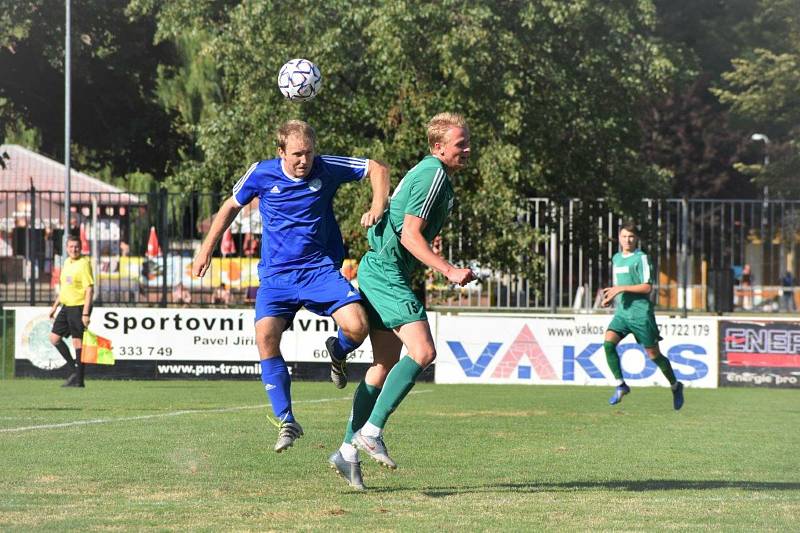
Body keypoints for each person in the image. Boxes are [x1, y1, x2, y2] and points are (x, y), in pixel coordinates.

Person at [192, 119, 390, 453]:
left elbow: (378, 168)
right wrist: (206, 248)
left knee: (357, 328)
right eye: (297, 154)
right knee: (265, 337)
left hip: (318, 271)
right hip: (277, 278)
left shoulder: (326, 168)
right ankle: (286, 420)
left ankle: (338, 352)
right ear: (280, 151)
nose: (304, 161)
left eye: (309, 154)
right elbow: (230, 206)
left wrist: (376, 205)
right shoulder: (261, 173)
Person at [328, 113, 475, 490]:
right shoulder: (434, 174)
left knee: (383, 364)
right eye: (461, 144)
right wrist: (448, 269)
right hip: (386, 272)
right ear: (439, 147)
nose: (468, 149)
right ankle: (371, 431)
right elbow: (410, 235)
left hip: (381, 268)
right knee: (423, 352)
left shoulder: (432, 173)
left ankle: (346, 451)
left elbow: (403, 225)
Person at [600, 222, 684, 410]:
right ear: (619, 238)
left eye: (631, 236)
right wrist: (611, 297)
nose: (627, 240)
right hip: (622, 313)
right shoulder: (616, 258)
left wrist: (621, 288)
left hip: (641, 315)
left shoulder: (641, 258)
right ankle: (621, 385)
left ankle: (675, 385)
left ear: (636, 239)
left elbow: (647, 286)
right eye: (624, 236)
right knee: (608, 343)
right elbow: (618, 285)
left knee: (654, 355)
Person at [49, 234, 94, 387]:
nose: (74, 249)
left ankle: (79, 380)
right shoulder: (67, 262)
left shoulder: (84, 263)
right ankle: (75, 369)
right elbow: (64, 288)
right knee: (54, 338)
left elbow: (89, 289)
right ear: (66, 248)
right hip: (66, 306)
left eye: (76, 247)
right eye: (71, 247)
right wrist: (55, 307)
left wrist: (85, 313)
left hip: (79, 306)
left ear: (80, 248)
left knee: (77, 342)